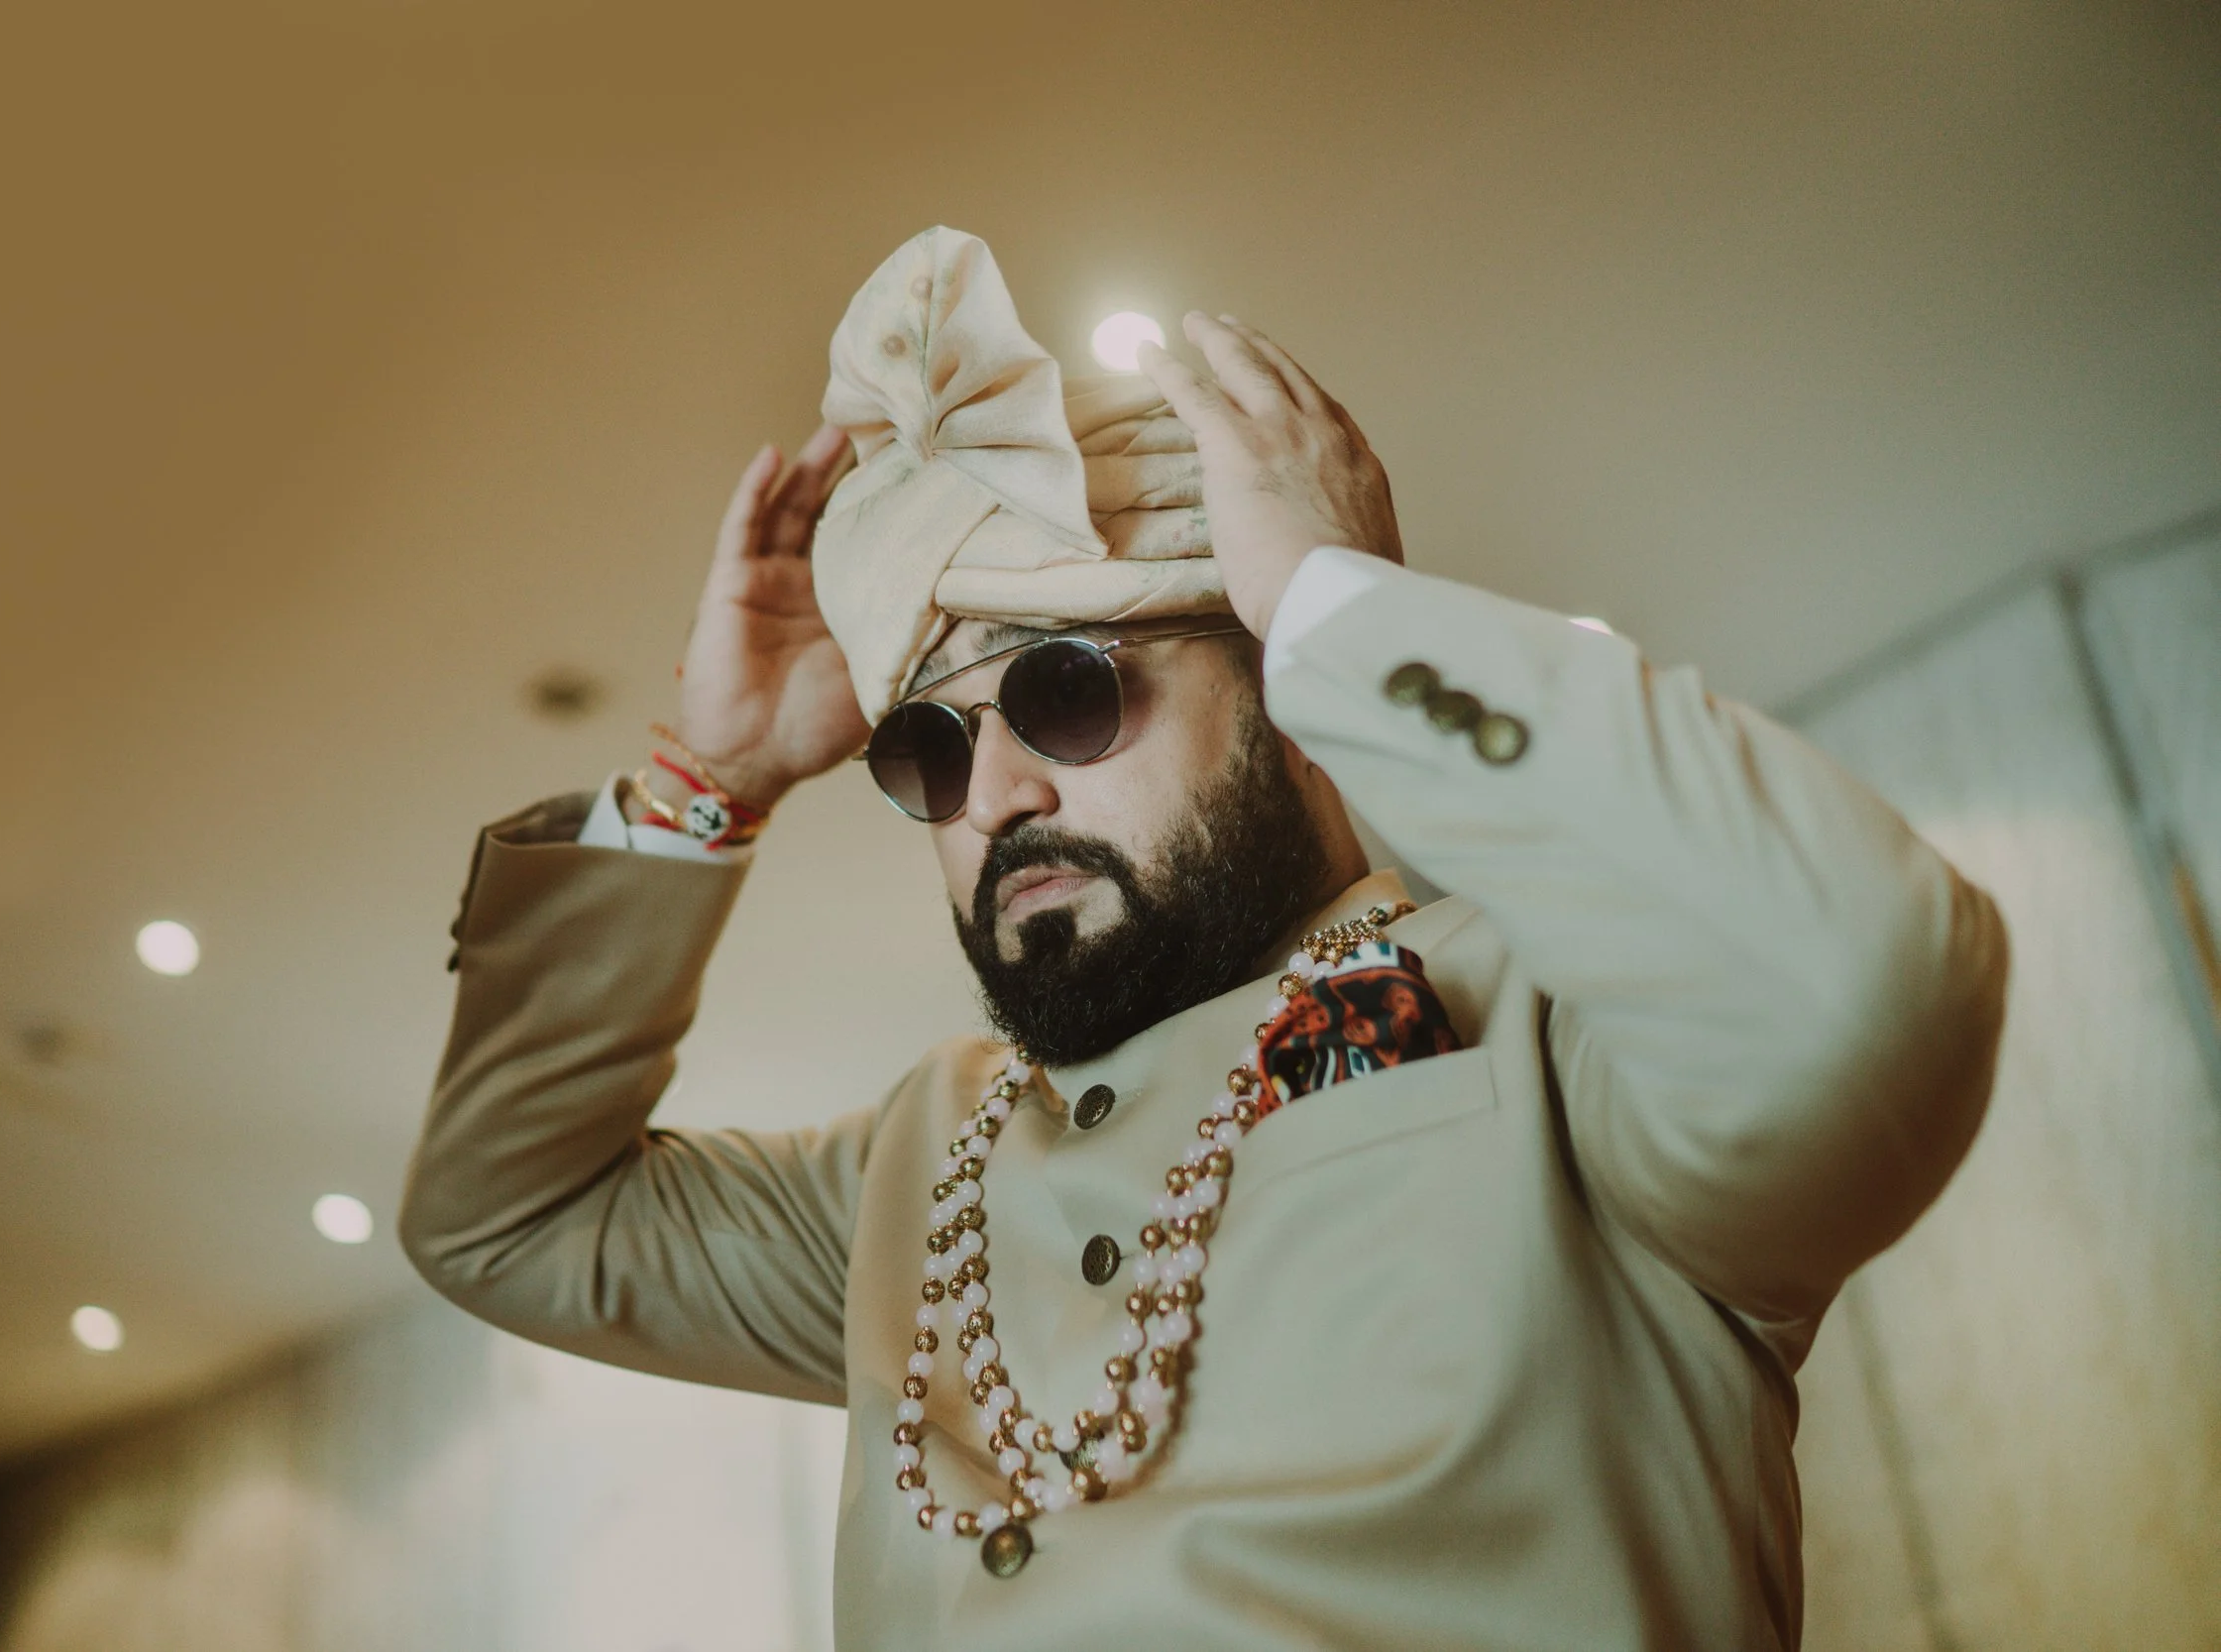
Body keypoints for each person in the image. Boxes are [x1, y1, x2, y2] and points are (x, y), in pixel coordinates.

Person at [401, 227, 2008, 1651]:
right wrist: (712, 778)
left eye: (1065, 690)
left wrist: (1342, 607)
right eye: (930, 753)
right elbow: (503, 1219)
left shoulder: (1570, 1039)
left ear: (1290, 708)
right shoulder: (914, 1173)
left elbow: (1863, 985)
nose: (999, 791)